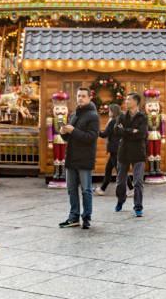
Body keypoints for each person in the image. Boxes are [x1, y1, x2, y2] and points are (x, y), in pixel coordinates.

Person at [58, 87, 100, 229]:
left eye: (83, 96)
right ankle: (73, 217)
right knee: (71, 189)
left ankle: (86, 217)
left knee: (86, 190)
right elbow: (67, 138)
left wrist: (74, 130)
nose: (80, 98)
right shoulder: (73, 115)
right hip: (71, 158)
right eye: (78, 96)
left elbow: (91, 137)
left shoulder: (93, 116)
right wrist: (63, 132)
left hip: (85, 159)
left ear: (89, 98)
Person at [114, 92, 148, 217]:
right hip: (123, 152)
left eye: (129, 99)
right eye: (126, 99)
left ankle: (138, 207)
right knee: (120, 181)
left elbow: (141, 134)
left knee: (138, 181)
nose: (126, 101)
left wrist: (125, 131)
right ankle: (120, 200)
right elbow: (116, 131)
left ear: (136, 102)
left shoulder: (143, 117)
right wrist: (131, 131)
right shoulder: (121, 116)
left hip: (139, 153)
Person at [94, 104, 133, 196]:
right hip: (117, 149)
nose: (108, 112)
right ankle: (102, 189)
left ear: (113, 112)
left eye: (110, 111)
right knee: (108, 169)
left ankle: (132, 188)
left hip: (115, 150)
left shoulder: (112, 122)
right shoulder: (120, 120)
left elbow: (104, 134)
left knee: (121, 171)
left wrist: (94, 130)